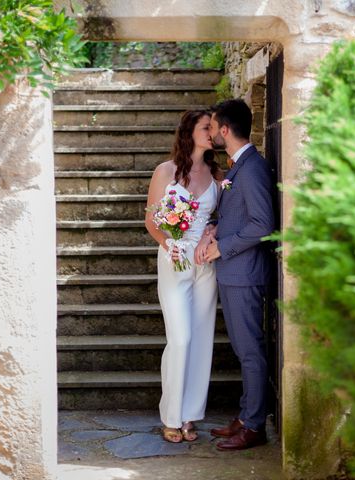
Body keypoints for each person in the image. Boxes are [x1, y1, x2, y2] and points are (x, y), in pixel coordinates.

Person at [195, 99, 275, 450]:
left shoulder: (253, 168)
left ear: (225, 130)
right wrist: (213, 227)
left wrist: (223, 247)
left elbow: (263, 224)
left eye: (213, 126)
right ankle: (245, 415)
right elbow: (236, 214)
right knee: (244, 350)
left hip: (244, 273)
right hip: (233, 273)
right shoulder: (239, 167)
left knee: (250, 352)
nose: (211, 132)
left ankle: (254, 425)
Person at [145, 110, 223, 443]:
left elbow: (225, 217)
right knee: (180, 339)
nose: (213, 132)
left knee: (202, 339)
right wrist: (170, 245)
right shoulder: (166, 172)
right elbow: (151, 221)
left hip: (205, 264)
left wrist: (213, 232)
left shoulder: (218, 173)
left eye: (214, 128)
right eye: (207, 127)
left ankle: (190, 415)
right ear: (190, 132)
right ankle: (171, 416)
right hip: (175, 260)